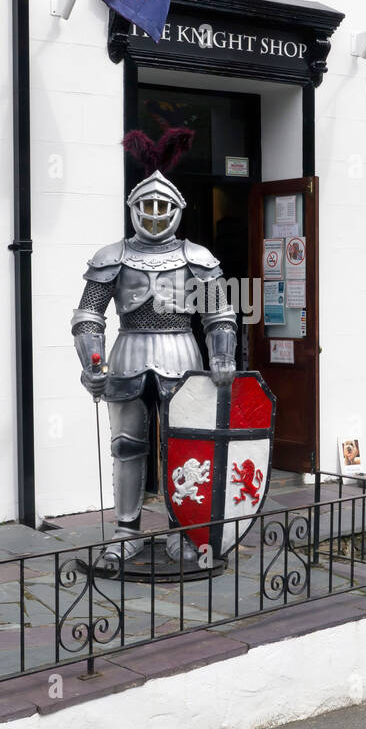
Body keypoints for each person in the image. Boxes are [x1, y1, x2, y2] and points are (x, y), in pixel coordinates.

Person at [71, 167, 237, 566]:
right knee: (125, 446)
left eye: (163, 205)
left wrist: (222, 354)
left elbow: (219, 314)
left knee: (183, 447)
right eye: (148, 205)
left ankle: (182, 529)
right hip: (128, 354)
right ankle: (127, 530)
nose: (155, 212)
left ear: (178, 209)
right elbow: (88, 315)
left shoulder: (197, 257)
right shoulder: (112, 256)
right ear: (133, 208)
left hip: (182, 354)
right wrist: (92, 361)